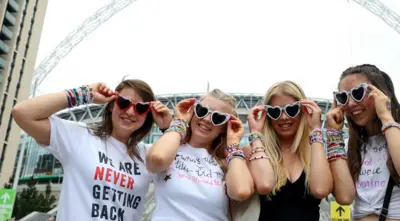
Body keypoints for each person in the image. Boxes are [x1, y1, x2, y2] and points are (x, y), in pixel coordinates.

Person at [12, 79, 172, 221]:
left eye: (141, 108)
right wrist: (85, 92)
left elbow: (190, 163)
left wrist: (168, 128)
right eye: (124, 103)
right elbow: (22, 113)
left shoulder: (151, 155)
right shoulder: (80, 137)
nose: (130, 112)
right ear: (111, 105)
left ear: (147, 115)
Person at [334, 64, 400, 221]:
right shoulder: (346, 145)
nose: (351, 103)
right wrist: (335, 135)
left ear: (381, 93)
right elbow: (345, 197)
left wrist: (386, 116)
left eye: (358, 93)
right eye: (343, 97)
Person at [146, 89, 254, 221]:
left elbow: (240, 191)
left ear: (224, 127)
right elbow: (157, 160)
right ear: (193, 112)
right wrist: (179, 121)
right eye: (202, 110)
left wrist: (233, 142)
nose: (207, 119)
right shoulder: (170, 149)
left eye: (218, 118)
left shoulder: (227, 163)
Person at [245, 80, 334, 221]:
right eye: (275, 112)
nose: (284, 117)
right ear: (267, 115)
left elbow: (321, 190)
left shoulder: (316, 151)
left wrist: (316, 129)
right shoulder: (254, 150)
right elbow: (264, 185)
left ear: (303, 111)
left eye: (291, 110)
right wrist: (255, 133)